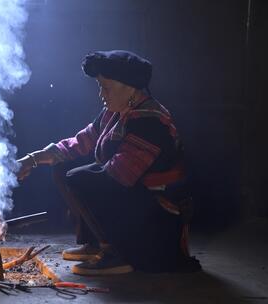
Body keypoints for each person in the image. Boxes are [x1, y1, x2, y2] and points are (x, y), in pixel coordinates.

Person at [17, 50, 200, 275]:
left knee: (81, 178)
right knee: (63, 165)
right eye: (99, 87)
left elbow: (120, 178)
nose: (101, 94)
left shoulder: (150, 120)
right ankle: (97, 242)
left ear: (130, 87)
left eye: (106, 87)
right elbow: (79, 142)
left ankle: (119, 252)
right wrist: (31, 160)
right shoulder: (115, 112)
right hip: (130, 193)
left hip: (156, 210)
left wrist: (86, 177)